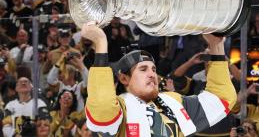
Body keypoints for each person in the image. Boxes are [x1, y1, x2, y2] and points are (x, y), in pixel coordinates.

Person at [81, 21, 236, 136]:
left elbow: (221, 99)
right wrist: (101, 43)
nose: (152, 74)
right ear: (123, 78)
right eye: (143, 69)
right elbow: (102, 109)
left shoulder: (173, 101)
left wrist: (216, 46)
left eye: (153, 69)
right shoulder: (120, 109)